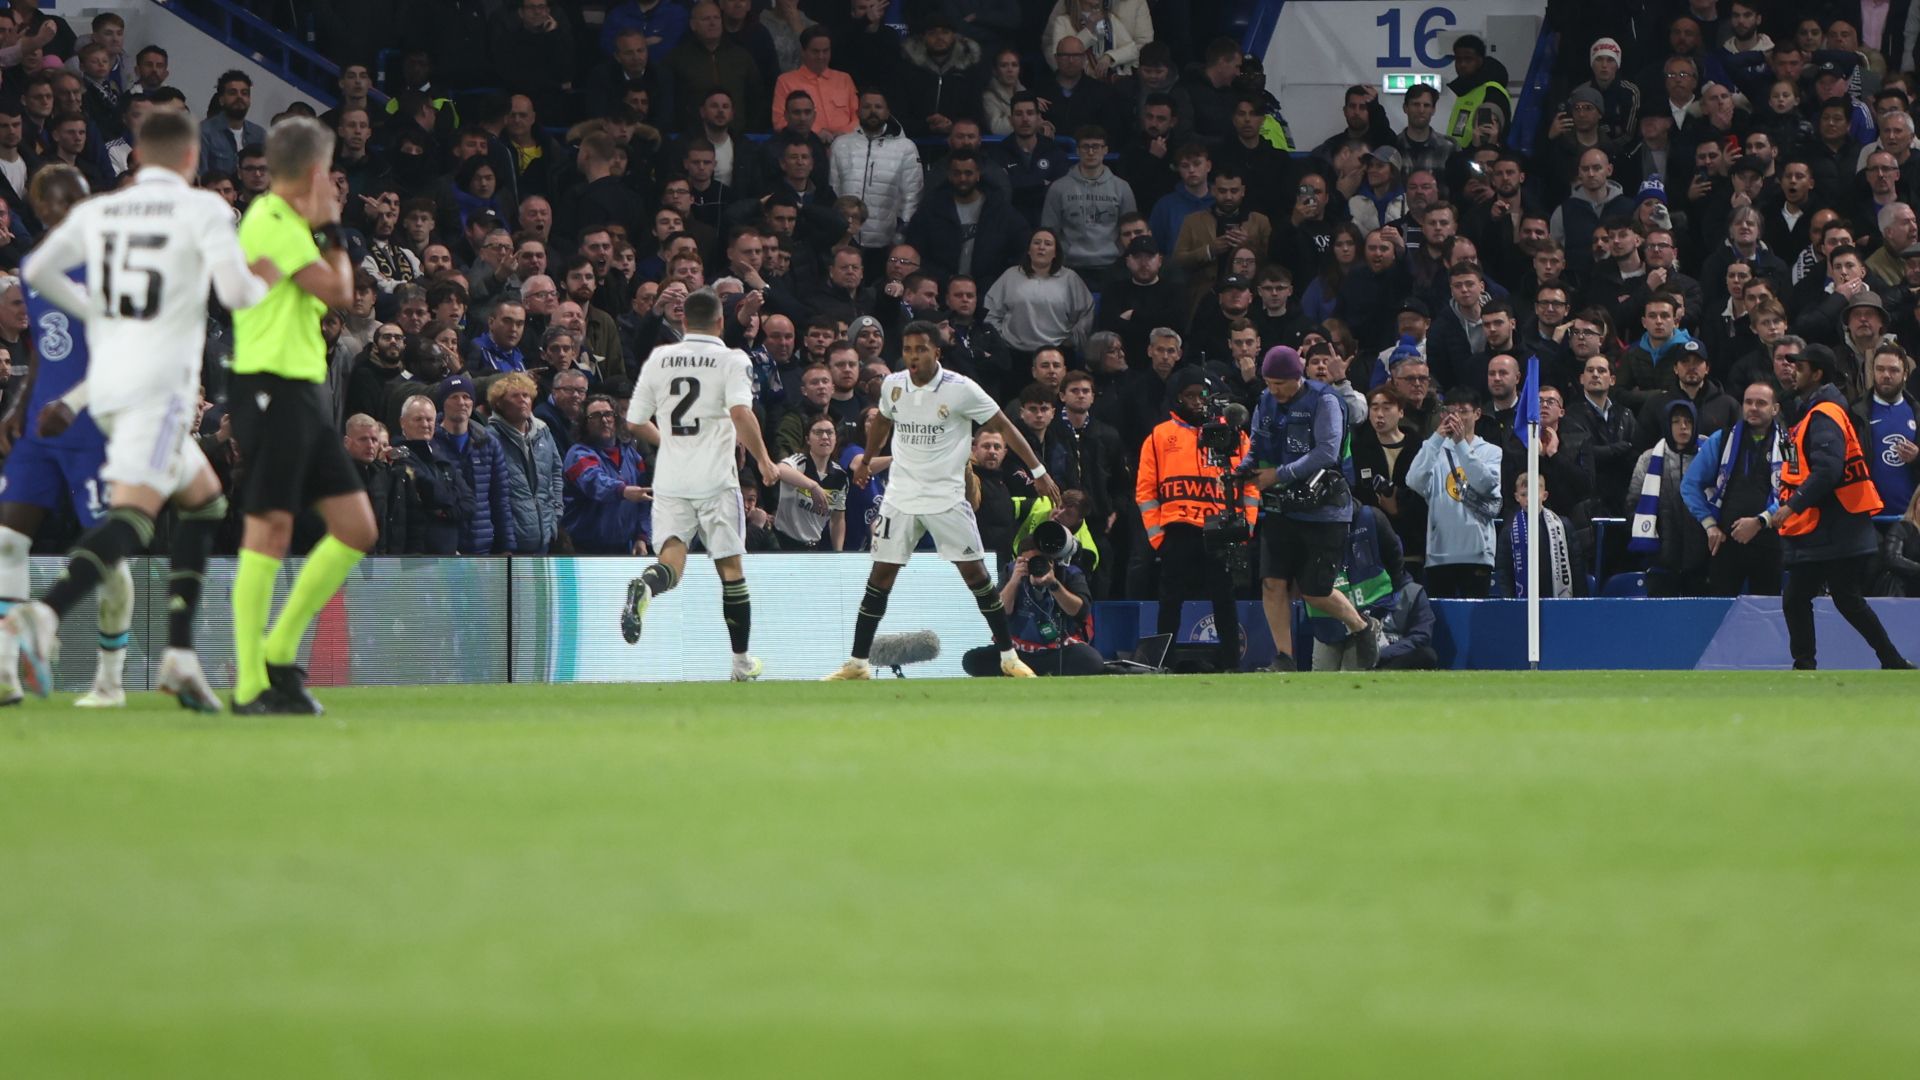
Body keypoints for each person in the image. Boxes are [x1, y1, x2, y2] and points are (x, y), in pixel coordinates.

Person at [7, 114, 275, 710]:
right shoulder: (205, 209)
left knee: (205, 503)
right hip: (158, 389)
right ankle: (41, 614)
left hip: (109, 384)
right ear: (189, 160)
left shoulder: (101, 213)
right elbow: (235, 296)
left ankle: (178, 656)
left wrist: (96, 311)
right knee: (136, 516)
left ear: (141, 159)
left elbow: (36, 271)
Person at [225, 117, 380, 714]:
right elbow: (341, 289)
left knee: (357, 529)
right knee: (270, 528)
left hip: (304, 387)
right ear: (318, 174)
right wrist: (337, 226)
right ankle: (249, 685)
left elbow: (324, 292)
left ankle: (279, 652)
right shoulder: (271, 219)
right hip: (271, 384)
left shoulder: (282, 224)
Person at [824, 321, 1061, 680]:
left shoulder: (960, 389)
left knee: (976, 575)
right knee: (880, 575)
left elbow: (1004, 426)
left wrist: (1038, 469)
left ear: (937, 352)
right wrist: (869, 461)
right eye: (907, 349)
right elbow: (883, 423)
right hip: (901, 497)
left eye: (921, 349)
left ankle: (1009, 657)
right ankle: (857, 663)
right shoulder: (893, 385)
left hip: (946, 498)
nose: (913, 356)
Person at [0, 172, 130, 707]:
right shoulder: (35, 267)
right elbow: (43, 347)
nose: (72, 207)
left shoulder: (108, 266)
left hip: (92, 429)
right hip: (39, 430)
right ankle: (6, 673)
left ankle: (110, 677)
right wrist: (20, 404)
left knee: (109, 558)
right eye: (60, 200)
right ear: (40, 206)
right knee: (7, 541)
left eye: (80, 196)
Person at [621, 288, 779, 680]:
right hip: (715, 477)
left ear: (684, 321)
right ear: (722, 322)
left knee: (672, 556)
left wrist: (669, 441)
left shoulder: (660, 358)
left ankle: (646, 585)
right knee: (730, 568)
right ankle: (741, 663)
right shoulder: (732, 358)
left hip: (672, 476)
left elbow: (635, 422)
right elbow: (741, 412)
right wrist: (762, 459)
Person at [1763, 344, 1912, 669]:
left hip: (1830, 525)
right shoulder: (1812, 410)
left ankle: (1807, 663)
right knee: (1842, 600)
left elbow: (1828, 470)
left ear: (1816, 374)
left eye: (1800, 368)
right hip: (1833, 525)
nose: (1793, 372)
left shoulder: (1824, 413)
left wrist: (1793, 506)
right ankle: (1889, 659)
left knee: (1804, 598)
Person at [1248, 346, 1379, 671]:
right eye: (1269, 382)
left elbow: (1326, 452)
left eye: (1280, 384)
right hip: (1281, 508)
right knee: (1272, 583)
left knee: (1315, 590)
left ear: (1298, 377)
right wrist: (1244, 469)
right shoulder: (1264, 401)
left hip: (1324, 509)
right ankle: (1283, 658)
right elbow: (1256, 444)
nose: (1274, 390)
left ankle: (1362, 627)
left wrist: (1277, 474)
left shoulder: (1325, 401)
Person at [1136, 367, 1255, 674]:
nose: (1197, 402)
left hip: (1222, 527)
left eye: (1203, 395)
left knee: (1225, 600)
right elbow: (1146, 491)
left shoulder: (1234, 434)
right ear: (1178, 398)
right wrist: (1157, 537)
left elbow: (1250, 484)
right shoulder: (1160, 435)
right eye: (1190, 395)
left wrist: (1247, 527)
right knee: (1170, 601)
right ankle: (1163, 665)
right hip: (1178, 529)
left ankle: (1233, 666)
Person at [1682, 380, 1785, 596]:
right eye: (1748, 402)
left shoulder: (1789, 444)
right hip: (1725, 544)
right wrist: (1709, 525)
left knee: (1767, 618)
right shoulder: (1721, 439)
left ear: (1775, 409)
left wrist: (1760, 521)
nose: (1753, 408)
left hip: (1770, 542)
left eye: (1761, 403)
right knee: (1721, 617)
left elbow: (1794, 493)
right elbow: (1689, 485)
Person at [962, 527, 1104, 677]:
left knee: (1091, 661)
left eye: (1039, 561)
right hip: (1019, 652)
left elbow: (1080, 611)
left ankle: (1031, 673)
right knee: (972, 660)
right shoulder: (1011, 572)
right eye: (1029, 562)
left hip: (1058, 651)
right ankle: (1031, 671)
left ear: (1051, 561)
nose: (1035, 566)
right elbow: (1001, 612)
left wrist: (1053, 584)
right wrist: (1014, 580)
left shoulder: (1068, 573)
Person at [1406, 386, 1504, 598]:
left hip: (1477, 553)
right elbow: (1413, 480)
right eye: (1450, 411)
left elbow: (1486, 484)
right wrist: (1434, 440)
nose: (1456, 417)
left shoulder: (1491, 452)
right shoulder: (1433, 449)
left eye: (1462, 411)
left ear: (1477, 414)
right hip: (1440, 554)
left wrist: (1460, 445)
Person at [562, 393, 651, 555]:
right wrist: (623, 490)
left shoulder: (631, 454)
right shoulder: (578, 454)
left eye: (608, 414)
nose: (604, 420)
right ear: (584, 423)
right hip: (584, 549)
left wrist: (642, 536)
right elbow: (594, 482)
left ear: (616, 419)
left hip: (626, 547)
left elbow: (644, 500)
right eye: (595, 416)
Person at [772, 413, 846, 551]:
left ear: (836, 439)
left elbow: (838, 519)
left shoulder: (840, 476)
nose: (824, 437)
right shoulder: (799, 462)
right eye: (818, 432)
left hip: (813, 547)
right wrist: (813, 486)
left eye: (830, 432)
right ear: (808, 439)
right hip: (784, 543)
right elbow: (780, 469)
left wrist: (838, 552)